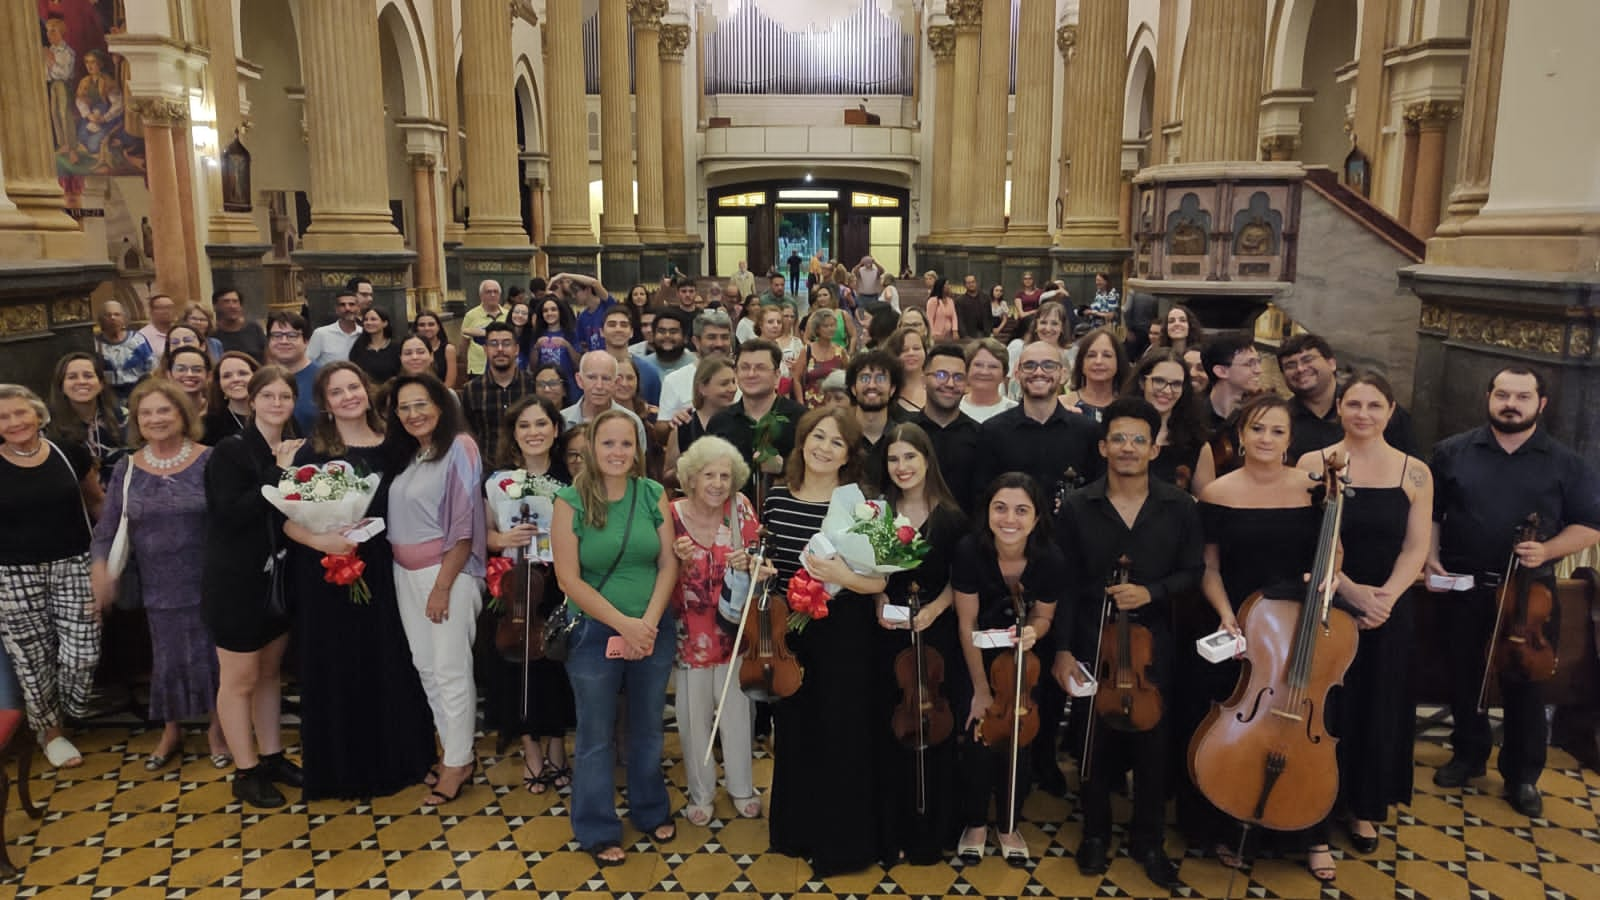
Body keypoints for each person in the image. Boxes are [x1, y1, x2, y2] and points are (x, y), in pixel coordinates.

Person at [1426, 366, 1600, 818]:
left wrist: (1545, 550)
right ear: (1488, 397)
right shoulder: (1452, 452)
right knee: (1465, 677)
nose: (1510, 403)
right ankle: (1467, 755)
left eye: (1522, 396)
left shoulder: (1566, 462)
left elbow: (1590, 526)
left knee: (1525, 683)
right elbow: (1433, 514)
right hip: (1465, 588)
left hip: (1529, 596)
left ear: (1540, 405)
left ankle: (1522, 775)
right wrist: (1430, 557)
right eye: (1502, 394)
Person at [1054, 398, 1201, 888]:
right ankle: (1094, 833)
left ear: (1154, 449)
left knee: (1154, 746)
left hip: (1152, 645)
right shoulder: (1077, 506)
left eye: (1139, 439)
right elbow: (1066, 583)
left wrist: (1152, 591)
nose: (1128, 448)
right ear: (1102, 446)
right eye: (1118, 438)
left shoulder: (1178, 506)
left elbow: (1193, 572)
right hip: (1092, 637)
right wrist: (1063, 651)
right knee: (1091, 742)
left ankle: (1149, 840)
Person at [1183, 393, 1325, 877]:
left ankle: (1306, 828)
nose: (1266, 439)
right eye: (1257, 429)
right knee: (1232, 720)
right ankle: (1227, 822)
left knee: (1302, 718)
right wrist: (1226, 614)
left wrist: (1326, 576)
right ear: (1240, 436)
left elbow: (1335, 550)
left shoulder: (1314, 489)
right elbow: (1209, 566)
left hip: (1297, 624)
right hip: (1238, 620)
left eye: (1277, 431)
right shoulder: (1219, 492)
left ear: (1290, 441)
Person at [1293, 372, 1432, 857]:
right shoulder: (1315, 462)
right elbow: (1311, 537)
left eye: (1375, 405)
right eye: (1354, 404)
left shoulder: (1414, 471)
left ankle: (1364, 807)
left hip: (1388, 607)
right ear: (1340, 409)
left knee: (1380, 703)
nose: (1363, 414)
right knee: (1329, 705)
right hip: (1331, 597)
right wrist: (1350, 591)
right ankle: (1317, 799)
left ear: (1391, 411)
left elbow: (1417, 547)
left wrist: (1386, 597)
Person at [285, 363, 435, 802]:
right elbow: (286, 521)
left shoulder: (396, 444)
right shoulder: (311, 453)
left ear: (367, 391)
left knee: (388, 659)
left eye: (355, 386)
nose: (349, 395)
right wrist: (322, 539)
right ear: (325, 403)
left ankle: (397, 758)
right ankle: (341, 768)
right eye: (337, 391)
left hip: (386, 569)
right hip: (327, 570)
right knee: (337, 663)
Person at [764, 408, 889, 876]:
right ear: (802, 441)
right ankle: (795, 832)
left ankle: (842, 844)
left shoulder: (861, 506)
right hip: (791, 634)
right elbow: (773, 567)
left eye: (836, 443)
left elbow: (877, 584)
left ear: (849, 456)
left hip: (844, 634)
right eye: (817, 437)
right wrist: (757, 570)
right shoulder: (776, 499)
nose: (823, 448)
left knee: (841, 733)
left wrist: (841, 576)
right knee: (795, 731)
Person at [551, 410, 679, 866]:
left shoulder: (652, 494)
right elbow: (568, 579)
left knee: (647, 727)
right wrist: (625, 625)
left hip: (653, 626)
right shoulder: (570, 501)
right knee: (595, 733)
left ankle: (650, 810)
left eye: (627, 444)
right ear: (591, 448)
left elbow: (668, 563)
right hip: (592, 630)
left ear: (638, 450)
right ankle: (597, 826)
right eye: (608, 443)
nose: (618, 452)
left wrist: (647, 621)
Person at [89, 380, 227, 772]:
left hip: (209, 581)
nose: (155, 419)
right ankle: (171, 729)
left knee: (212, 658)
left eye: (163, 410)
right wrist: (100, 570)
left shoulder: (210, 459)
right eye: (145, 413)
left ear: (182, 414)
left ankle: (219, 727)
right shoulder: (128, 468)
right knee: (165, 659)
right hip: (156, 586)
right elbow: (108, 528)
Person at [202, 366, 305, 807]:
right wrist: (278, 474)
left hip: (276, 576)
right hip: (236, 581)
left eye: (285, 396)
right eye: (269, 396)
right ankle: (245, 771)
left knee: (269, 674)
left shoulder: (293, 447)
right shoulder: (230, 451)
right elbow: (230, 513)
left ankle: (272, 755)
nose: (277, 404)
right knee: (240, 679)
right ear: (253, 399)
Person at [386, 372, 489, 806]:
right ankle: (455, 752)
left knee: (449, 669)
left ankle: (458, 761)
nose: (413, 414)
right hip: (406, 575)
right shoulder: (417, 456)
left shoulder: (460, 448)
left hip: (446, 574)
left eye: (421, 404)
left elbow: (464, 523)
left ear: (442, 405)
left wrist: (443, 585)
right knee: (426, 667)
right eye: (404, 407)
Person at [950, 473, 1062, 866]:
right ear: (988, 512)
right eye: (1000, 508)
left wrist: (1033, 630)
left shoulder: (1048, 557)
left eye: (1021, 510)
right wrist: (980, 689)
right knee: (978, 737)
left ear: (1036, 517)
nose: (1009, 518)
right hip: (976, 660)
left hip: (1023, 664)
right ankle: (976, 822)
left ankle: (1009, 823)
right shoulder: (969, 551)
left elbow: (1045, 615)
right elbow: (967, 622)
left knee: (1021, 738)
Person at [870, 424, 966, 865]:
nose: (902, 467)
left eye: (910, 457)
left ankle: (934, 830)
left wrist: (936, 609)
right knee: (889, 731)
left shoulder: (951, 516)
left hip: (936, 632)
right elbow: (872, 574)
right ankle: (893, 831)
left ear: (927, 460)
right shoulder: (877, 512)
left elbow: (960, 582)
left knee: (936, 731)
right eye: (893, 459)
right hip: (890, 635)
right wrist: (878, 599)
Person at [0, 384, 104, 769]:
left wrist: (109, 553)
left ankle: (64, 709)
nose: (14, 422)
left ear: (37, 413)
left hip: (74, 562)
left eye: (19, 413)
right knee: (32, 658)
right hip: (11, 574)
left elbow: (96, 500)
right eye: (4, 417)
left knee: (83, 653)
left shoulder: (69, 451)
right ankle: (51, 730)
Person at [668, 436, 767, 826]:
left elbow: (762, 560)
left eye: (726, 476)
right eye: (709, 474)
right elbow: (656, 568)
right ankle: (701, 792)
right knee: (694, 719)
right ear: (691, 478)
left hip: (733, 628)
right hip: (688, 632)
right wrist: (673, 559)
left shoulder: (740, 508)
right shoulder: (671, 513)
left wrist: (751, 561)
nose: (718, 483)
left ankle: (742, 788)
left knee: (737, 713)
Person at [483, 397, 575, 795]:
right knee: (516, 666)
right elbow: (483, 533)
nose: (534, 432)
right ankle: (529, 749)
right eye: (524, 425)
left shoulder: (570, 476)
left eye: (542, 424)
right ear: (514, 433)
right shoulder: (497, 480)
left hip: (560, 580)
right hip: (515, 582)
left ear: (556, 430)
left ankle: (557, 745)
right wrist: (503, 538)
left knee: (556, 664)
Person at [978, 341, 1103, 503]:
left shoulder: (1088, 432)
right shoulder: (992, 432)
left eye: (1048, 365)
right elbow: (982, 497)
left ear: (1063, 374)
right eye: (1029, 366)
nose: (1038, 372)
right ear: (1017, 374)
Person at [1276, 334, 1419, 459]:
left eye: (1308, 360)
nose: (1300, 369)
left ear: (1331, 364)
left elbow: (1410, 466)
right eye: (1290, 365)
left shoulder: (1379, 412)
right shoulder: (1281, 419)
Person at [707, 339, 805, 504]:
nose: (751, 374)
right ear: (736, 374)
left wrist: (785, 467)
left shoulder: (801, 419)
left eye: (760, 367)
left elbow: (818, 471)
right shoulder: (720, 422)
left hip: (788, 514)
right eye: (744, 367)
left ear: (776, 375)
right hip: (732, 516)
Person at [1122, 350, 1207, 489]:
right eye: (1159, 381)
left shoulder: (1197, 443)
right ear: (1142, 382)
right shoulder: (1115, 435)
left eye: (1176, 384)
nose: (1167, 391)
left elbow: (1203, 505)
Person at [914, 344, 981, 511]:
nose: (950, 383)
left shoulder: (981, 436)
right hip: (911, 532)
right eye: (941, 375)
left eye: (959, 377)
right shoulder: (905, 433)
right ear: (923, 380)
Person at [47, 352, 126, 485]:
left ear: (101, 384)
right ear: (61, 386)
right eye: (72, 377)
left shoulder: (124, 417)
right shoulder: (48, 426)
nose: (82, 382)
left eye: (88, 376)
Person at [462, 322, 536, 463]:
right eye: (494, 344)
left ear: (516, 349)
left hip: (527, 466)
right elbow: (469, 434)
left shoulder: (532, 385)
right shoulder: (472, 390)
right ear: (485, 349)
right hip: (486, 467)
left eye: (506, 344)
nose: (500, 349)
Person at [663, 357, 737, 487]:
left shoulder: (740, 420)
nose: (733, 388)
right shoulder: (683, 425)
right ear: (702, 388)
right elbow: (667, 475)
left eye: (733, 382)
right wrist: (689, 472)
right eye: (724, 384)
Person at [659, 308, 734, 419]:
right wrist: (675, 422)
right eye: (711, 337)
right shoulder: (674, 380)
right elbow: (661, 427)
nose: (719, 344)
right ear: (696, 342)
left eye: (724, 337)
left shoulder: (745, 376)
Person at [562, 352, 649, 448]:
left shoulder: (632, 422)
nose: (599, 386)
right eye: (592, 377)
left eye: (606, 378)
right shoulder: (562, 420)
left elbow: (638, 462)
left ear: (616, 382)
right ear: (580, 381)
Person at [613, 356, 668, 481]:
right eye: (618, 378)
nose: (624, 383)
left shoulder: (653, 416)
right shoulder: (602, 418)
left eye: (630, 378)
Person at [264, 312, 320, 435]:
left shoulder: (323, 378)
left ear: (306, 341)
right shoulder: (261, 379)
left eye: (292, 335)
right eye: (277, 335)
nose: (284, 341)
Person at [1062, 327, 1129, 421]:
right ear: (1081, 363)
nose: (1098, 361)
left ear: (1118, 361)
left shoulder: (1130, 408)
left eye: (1107, 355)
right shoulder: (1062, 405)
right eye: (1091, 355)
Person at [1006, 302, 1074, 394]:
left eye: (1054, 323)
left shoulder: (1072, 355)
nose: (1048, 328)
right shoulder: (1022, 352)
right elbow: (1013, 391)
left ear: (1062, 327)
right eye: (1043, 322)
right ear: (1035, 326)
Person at [95, 300, 155, 401]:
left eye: (117, 314)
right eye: (108, 315)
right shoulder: (95, 345)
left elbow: (152, 368)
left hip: (139, 395)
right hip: (110, 399)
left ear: (123, 318)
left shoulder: (138, 340)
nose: (112, 318)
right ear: (101, 319)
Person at [601, 307, 662, 405]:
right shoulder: (591, 368)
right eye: (612, 325)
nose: (618, 329)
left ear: (632, 332)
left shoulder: (649, 372)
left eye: (624, 325)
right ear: (601, 332)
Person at [202, 352, 261, 450]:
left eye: (242, 373)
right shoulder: (207, 426)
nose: (235, 379)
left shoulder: (276, 414)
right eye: (227, 376)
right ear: (219, 384)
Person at [791, 308, 845, 409]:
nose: (830, 329)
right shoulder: (807, 350)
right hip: (811, 406)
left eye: (833, 325)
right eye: (826, 326)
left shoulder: (840, 352)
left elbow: (848, 377)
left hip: (835, 406)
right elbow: (796, 378)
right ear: (817, 329)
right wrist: (800, 403)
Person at [958, 340, 1016, 423]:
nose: (984, 372)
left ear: (1004, 374)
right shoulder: (952, 409)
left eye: (993, 366)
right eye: (978, 365)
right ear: (967, 369)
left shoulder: (1014, 410)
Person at [556, 272, 615, 352]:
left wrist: (564, 275)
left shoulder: (607, 305)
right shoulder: (582, 318)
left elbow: (594, 283)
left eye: (576, 292)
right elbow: (582, 344)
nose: (573, 296)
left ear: (588, 289)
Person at [461, 280, 508, 377]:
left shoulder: (508, 315)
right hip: (478, 368)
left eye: (495, 292)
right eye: (488, 292)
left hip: (503, 368)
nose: (492, 295)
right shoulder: (471, 315)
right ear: (481, 295)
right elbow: (464, 344)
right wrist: (467, 365)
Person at [306, 291, 362, 366]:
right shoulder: (321, 333)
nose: (347, 308)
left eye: (351, 304)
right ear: (336, 309)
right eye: (342, 305)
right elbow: (308, 362)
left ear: (358, 308)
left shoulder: (364, 333)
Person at [349, 307, 402, 384]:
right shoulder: (358, 346)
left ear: (385, 323)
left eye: (373, 319)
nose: (368, 322)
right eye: (366, 320)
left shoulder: (396, 347)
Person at [212, 289, 268, 361]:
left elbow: (268, 356)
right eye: (226, 302)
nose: (232, 306)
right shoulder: (212, 333)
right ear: (215, 306)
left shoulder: (254, 328)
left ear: (241, 306)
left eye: (235, 301)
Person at [412, 311, 459, 387]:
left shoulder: (448, 349)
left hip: (442, 393)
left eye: (431, 324)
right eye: (422, 325)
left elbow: (450, 382)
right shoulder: (411, 350)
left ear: (438, 326)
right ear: (416, 328)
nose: (426, 328)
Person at [163, 346, 213, 418]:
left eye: (197, 370)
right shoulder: (161, 413)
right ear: (169, 375)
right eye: (181, 369)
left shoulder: (218, 411)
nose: (189, 374)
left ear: (209, 376)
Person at [888, 327, 928, 414]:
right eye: (904, 350)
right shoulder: (888, 390)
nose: (911, 353)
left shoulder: (937, 384)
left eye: (916, 348)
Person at [647, 308, 697, 378]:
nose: (667, 336)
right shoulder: (642, 367)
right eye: (661, 331)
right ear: (653, 336)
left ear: (685, 338)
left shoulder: (697, 367)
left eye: (673, 332)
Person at [139, 294, 178, 359]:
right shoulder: (142, 337)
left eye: (170, 307)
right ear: (151, 311)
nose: (167, 311)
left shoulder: (180, 331)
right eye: (162, 308)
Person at [925, 278, 960, 343]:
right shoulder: (933, 301)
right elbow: (929, 319)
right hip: (936, 335)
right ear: (941, 287)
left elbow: (954, 317)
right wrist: (932, 334)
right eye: (947, 285)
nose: (949, 287)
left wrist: (955, 331)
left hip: (949, 335)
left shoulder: (950, 301)